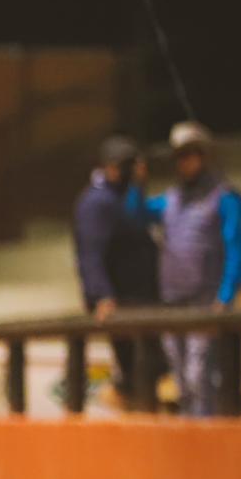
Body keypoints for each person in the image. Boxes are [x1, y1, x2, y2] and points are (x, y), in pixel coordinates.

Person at [136, 122, 241, 417]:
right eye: (179, 157)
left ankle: (205, 434)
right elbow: (138, 213)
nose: (184, 163)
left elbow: (237, 249)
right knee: (182, 379)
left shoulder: (224, 198)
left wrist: (225, 295)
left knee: (200, 376)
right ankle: (189, 434)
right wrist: (137, 183)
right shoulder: (170, 200)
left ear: (203, 156)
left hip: (205, 301)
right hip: (173, 301)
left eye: (190, 155)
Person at [72, 134, 161, 406]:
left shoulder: (121, 198)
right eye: (130, 165)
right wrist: (102, 296)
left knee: (151, 368)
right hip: (123, 302)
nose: (137, 171)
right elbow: (91, 253)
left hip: (140, 299)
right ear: (112, 167)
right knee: (136, 369)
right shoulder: (97, 202)